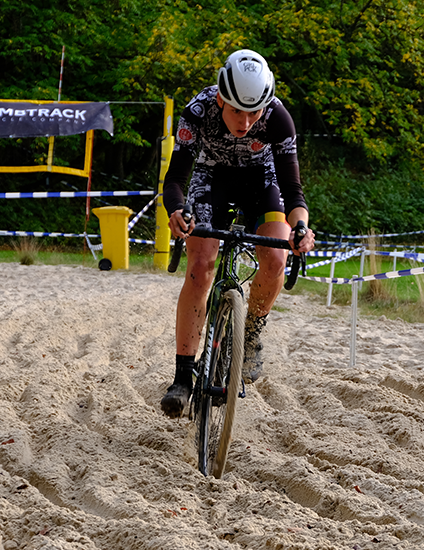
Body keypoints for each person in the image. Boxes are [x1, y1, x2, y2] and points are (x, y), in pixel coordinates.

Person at [159, 49, 316, 418]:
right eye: (236, 111)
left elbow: (293, 192)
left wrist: (301, 228)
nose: (245, 122)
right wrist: (177, 211)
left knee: (276, 259)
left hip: (262, 182)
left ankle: (252, 329)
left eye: (253, 112)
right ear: (220, 98)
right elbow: (176, 179)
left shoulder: (278, 117)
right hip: (212, 179)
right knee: (200, 265)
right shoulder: (197, 111)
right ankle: (182, 378)